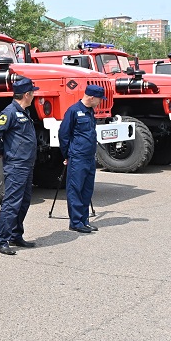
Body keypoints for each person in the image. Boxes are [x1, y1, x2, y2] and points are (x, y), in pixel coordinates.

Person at [0, 77, 40, 255]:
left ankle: (16, 235)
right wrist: (4, 151)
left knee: (24, 202)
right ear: (27, 94)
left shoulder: (24, 111)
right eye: (33, 93)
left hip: (26, 164)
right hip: (16, 165)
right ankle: (1, 241)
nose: (34, 96)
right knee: (11, 203)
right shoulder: (9, 112)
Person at [58, 84, 107, 233]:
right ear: (91, 97)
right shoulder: (73, 111)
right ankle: (75, 222)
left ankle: (84, 220)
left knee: (87, 190)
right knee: (75, 190)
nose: (100, 102)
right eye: (99, 99)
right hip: (77, 157)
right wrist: (67, 154)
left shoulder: (90, 111)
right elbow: (63, 134)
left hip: (89, 157)